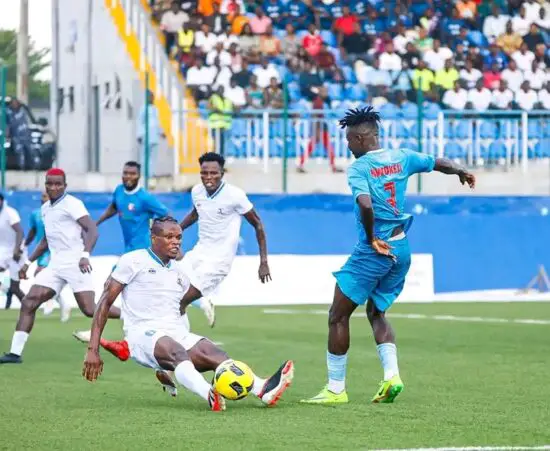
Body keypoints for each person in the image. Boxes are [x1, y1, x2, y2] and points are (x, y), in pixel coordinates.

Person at [301, 107, 476, 404]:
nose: (347, 145)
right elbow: (437, 162)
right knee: (376, 312)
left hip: (376, 249)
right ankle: (391, 376)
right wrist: (461, 171)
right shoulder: (402, 156)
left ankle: (335, 389)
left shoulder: (359, 168)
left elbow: (366, 204)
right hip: (401, 246)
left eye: (348, 139)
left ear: (360, 138)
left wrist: (371, 239)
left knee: (337, 316)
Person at [77, 152, 271, 373]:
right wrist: (176, 231)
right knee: (169, 298)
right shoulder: (197, 192)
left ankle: (171, 354)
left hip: (218, 262)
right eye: (204, 173)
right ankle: (166, 351)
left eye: (213, 173)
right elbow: (196, 214)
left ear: (222, 173)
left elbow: (258, 224)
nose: (208, 177)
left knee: (179, 301)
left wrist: (263, 261)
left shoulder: (235, 195)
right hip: (197, 253)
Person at [82, 217, 293, 411]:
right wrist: (93, 349)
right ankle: (209, 394)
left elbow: (180, 307)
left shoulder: (181, 271)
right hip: (141, 334)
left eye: (179, 237)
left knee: (214, 353)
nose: (176, 242)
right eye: (169, 237)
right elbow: (104, 303)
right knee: (176, 351)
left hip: (174, 331)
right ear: (154, 238)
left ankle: (262, 389)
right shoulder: (132, 261)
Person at [0, 168, 122, 364]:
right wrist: (28, 262)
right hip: (55, 265)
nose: (54, 187)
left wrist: (85, 255)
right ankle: (15, 353)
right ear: (45, 185)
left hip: (76, 263)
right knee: (29, 302)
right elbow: (46, 240)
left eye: (58, 184)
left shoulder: (73, 204)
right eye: (50, 184)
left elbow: (92, 229)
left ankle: (128, 315)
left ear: (65, 185)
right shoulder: (45, 209)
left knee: (89, 309)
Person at [24, 192, 71, 321]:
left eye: (46, 196)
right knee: (42, 276)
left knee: (40, 273)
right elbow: (33, 231)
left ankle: (50, 301)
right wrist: (25, 244)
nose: (43, 198)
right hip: (41, 249)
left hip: (54, 249)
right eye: (42, 196)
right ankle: (63, 304)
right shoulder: (35, 214)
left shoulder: (59, 212)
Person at [0, 192, 25, 310]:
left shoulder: (10, 212)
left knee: (15, 288)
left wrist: (17, 249)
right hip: (3, 251)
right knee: (12, 288)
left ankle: (29, 306)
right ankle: (6, 289)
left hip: (16, 252)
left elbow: (20, 231)